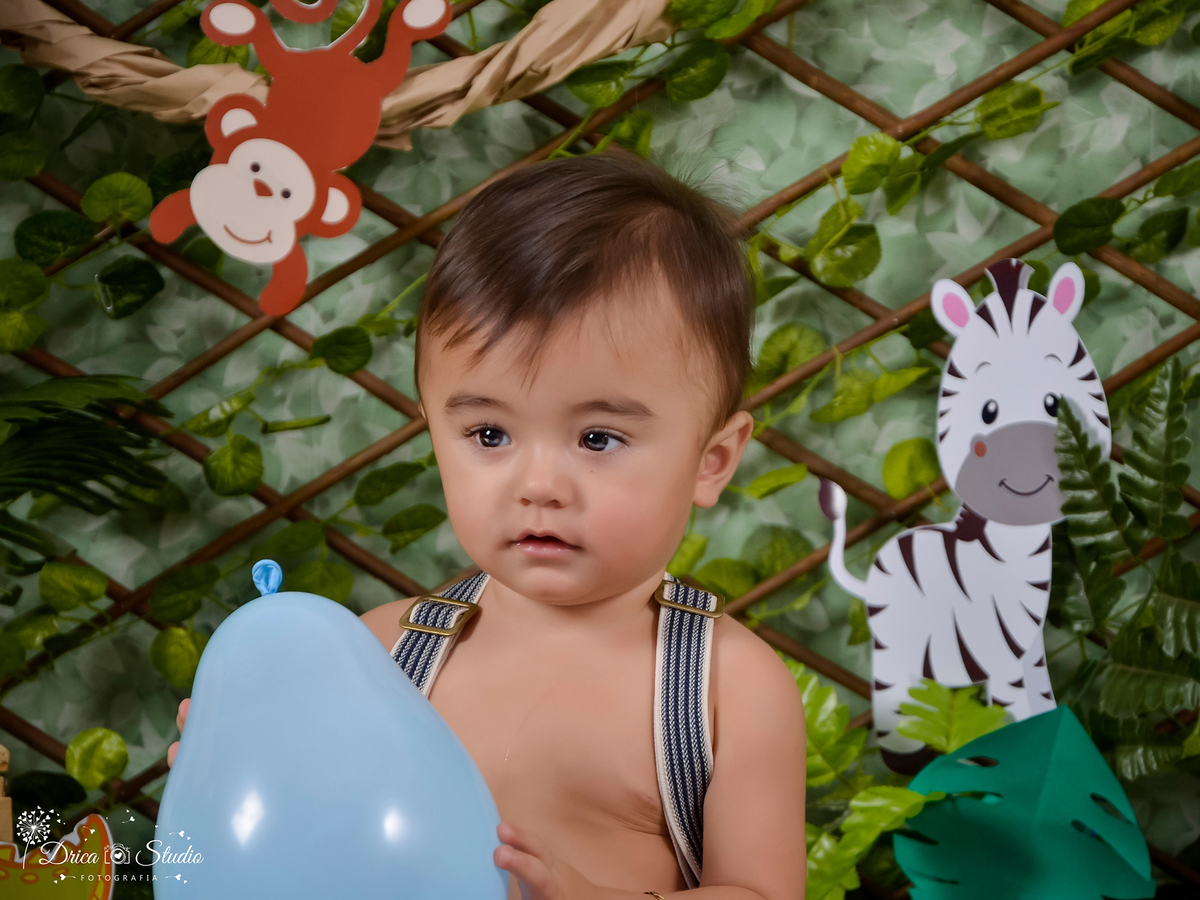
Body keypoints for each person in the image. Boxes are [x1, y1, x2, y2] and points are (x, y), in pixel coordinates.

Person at [170, 155, 807, 900]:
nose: (539, 486)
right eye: (490, 435)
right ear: (434, 433)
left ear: (711, 459)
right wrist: (242, 766)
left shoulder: (725, 687)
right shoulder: (377, 655)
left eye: (598, 438)